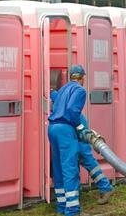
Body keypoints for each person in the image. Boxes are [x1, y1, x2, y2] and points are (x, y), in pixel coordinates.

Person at [50, 91, 114, 207]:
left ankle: (105, 187)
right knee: (81, 162)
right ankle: (104, 187)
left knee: (86, 159)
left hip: (76, 133)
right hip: (71, 133)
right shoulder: (65, 105)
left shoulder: (64, 108)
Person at [48, 65, 91, 216]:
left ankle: (61, 206)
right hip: (65, 129)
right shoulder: (80, 90)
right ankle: (72, 210)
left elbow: (53, 97)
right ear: (82, 77)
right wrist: (80, 127)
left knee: (58, 167)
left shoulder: (63, 89)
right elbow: (73, 110)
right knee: (70, 168)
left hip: (52, 128)